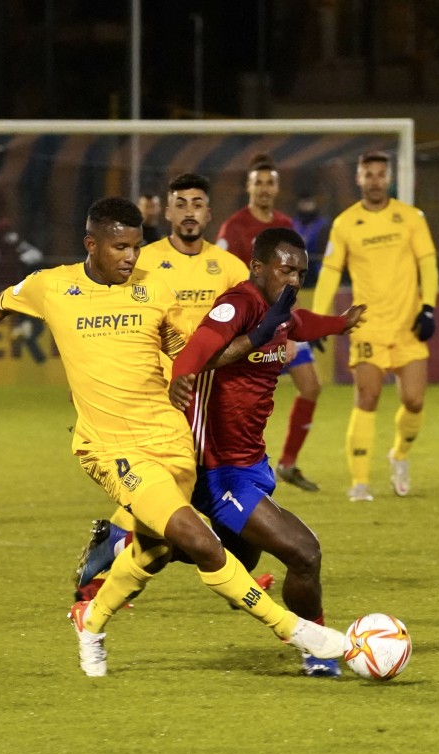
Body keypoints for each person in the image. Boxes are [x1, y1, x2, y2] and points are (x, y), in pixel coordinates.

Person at [0, 196, 345, 678]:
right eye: (120, 247)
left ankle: (93, 614)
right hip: (112, 447)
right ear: (92, 245)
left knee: (158, 550)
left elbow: (201, 355)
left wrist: (250, 340)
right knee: (203, 543)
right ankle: (300, 632)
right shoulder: (54, 287)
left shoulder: (154, 290)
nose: (130, 257)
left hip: (170, 438)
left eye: (136, 247)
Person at [84, 228, 366, 677]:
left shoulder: (279, 311)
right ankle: (316, 649)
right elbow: (197, 348)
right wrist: (184, 374)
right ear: (258, 268)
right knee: (303, 553)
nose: (294, 280)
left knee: (237, 558)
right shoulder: (238, 305)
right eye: (285, 269)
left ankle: (125, 542)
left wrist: (339, 323)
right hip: (218, 468)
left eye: (301, 272)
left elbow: (299, 323)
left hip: (251, 463)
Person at [72, 172, 259, 603]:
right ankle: (126, 551)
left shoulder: (229, 268)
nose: (189, 211)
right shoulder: (143, 260)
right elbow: (103, 308)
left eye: (198, 203)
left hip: (210, 393)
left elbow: (248, 319)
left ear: (209, 213)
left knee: (180, 486)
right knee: (173, 483)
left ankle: (119, 542)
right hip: (155, 390)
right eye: (181, 203)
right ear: (168, 211)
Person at [312, 150, 439, 502]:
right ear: (358, 178)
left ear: (389, 178)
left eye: (380, 174)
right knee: (367, 397)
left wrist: (428, 308)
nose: (374, 180)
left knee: (414, 400)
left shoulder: (410, 217)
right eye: (368, 174)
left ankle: (399, 456)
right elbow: (330, 273)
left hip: (407, 326)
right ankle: (360, 482)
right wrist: (322, 318)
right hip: (368, 326)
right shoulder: (346, 223)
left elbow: (427, 264)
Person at [217, 154, 324, 492]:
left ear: (277, 188)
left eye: (270, 182)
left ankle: (288, 463)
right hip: (252, 325)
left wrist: (294, 326)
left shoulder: (286, 225)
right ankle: (234, 465)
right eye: (258, 182)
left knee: (311, 386)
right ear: (248, 187)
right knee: (245, 403)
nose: (264, 188)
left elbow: (295, 278)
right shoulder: (233, 228)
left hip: (283, 320)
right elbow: (225, 281)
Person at [292, 192, 331, 287]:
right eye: (303, 203)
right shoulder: (293, 224)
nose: (306, 206)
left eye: (309, 203)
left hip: (317, 264)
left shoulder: (323, 224)